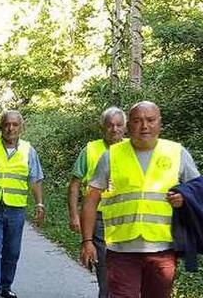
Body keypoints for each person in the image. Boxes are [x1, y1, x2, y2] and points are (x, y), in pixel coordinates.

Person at [80, 101, 201, 298]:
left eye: (150, 120)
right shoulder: (111, 156)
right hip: (120, 249)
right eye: (137, 121)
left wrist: (184, 197)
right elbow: (91, 199)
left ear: (160, 123)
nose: (144, 126)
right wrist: (87, 241)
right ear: (129, 127)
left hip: (162, 249)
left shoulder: (176, 152)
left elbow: (199, 191)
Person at [0, 110, 45, 298]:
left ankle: (5, 287)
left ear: (21, 128)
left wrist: (39, 204)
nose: (10, 128)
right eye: (7, 124)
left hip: (16, 209)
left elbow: (35, 179)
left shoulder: (28, 150)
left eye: (15, 125)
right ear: (0, 126)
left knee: (12, 251)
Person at [67, 107, 126, 298]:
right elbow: (75, 184)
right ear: (102, 127)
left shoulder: (133, 149)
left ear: (125, 127)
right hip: (100, 219)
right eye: (110, 125)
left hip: (128, 219)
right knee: (106, 274)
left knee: (128, 274)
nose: (114, 129)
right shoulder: (91, 150)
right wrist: (75, 215)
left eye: (118, 125)